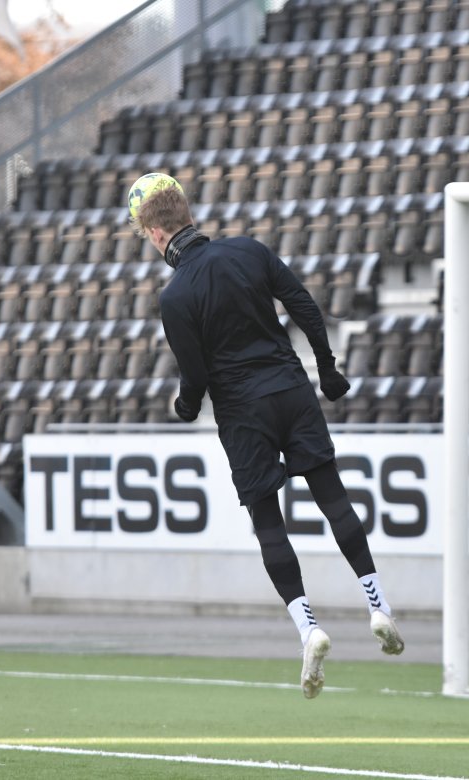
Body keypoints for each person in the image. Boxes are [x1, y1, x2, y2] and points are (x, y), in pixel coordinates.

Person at [130, 173, 404, 700]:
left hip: (242, 412)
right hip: (291, 388)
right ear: (187, 215)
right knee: (332, 497)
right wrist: (327, 369)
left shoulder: (176, 296)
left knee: (268, 523)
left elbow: (195, 377)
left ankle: (309, 629)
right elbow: (304, 305)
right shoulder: (249, 251)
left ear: (156, 233)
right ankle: (378, 606)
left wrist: (185, 407)